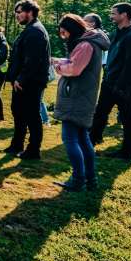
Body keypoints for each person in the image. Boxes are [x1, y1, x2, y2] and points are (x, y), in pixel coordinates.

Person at [51, 14, 109, 191]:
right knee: (83, 139)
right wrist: (62, 61)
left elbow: (75, 69)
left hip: (77, 97)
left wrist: (58, 67)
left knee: (70, 138)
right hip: (83, 96)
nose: (63, 37)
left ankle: (78, 179)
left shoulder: (85, 44)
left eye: (64, 32)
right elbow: (77, 63)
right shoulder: (90, 42)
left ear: (72, 29)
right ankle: (90, 179)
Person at [89, 3, 131, 160]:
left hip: (124, 85)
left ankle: (127, 152)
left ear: (124, 15)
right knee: (100, 113)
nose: (111, 16)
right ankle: (90, 143)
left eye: (114, 13)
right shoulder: (118, 33)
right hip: (110, 82)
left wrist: (120, 86)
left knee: (127, 118)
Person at [4, 0, 51, 160]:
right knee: (18, 112)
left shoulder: (35, 31)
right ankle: (17, 144)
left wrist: (21, 78)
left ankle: (33, 149)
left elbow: (33, 59)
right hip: (23, 80)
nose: (16, 16)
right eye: (16, 13)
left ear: (30, 12)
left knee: (32, 114)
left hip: (30, 82)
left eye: (19, 12)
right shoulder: (30, 29)